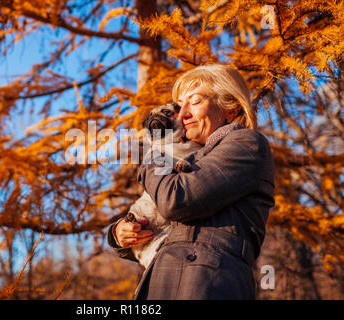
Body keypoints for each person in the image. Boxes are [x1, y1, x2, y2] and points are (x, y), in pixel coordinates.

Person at [107, 63, 275, 299]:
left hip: (205, 284)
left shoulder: (247, 144)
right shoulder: (189, 154)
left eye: (195, 102)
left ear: (231, 108)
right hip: (162, 281)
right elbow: (158, 212)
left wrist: (153, 154)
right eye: (180, 105)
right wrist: (121, 233)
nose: (183, 114)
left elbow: (177, 200)